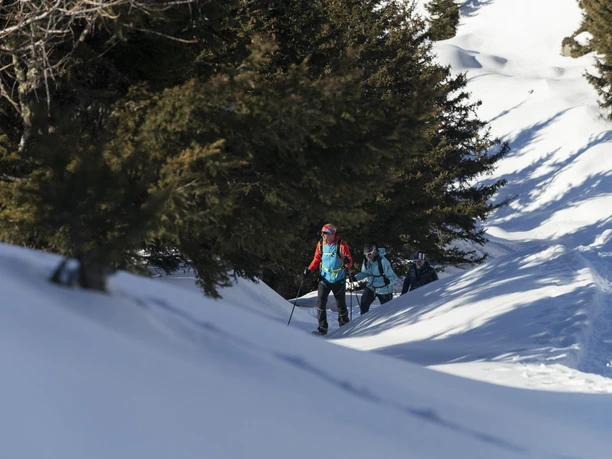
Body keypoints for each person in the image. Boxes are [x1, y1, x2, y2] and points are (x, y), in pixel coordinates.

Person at [303, 223, 353, 336]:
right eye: (322, 233)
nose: (322, 235)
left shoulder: (341, 244)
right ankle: (322, 328)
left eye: (325, 233)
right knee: (320, 303)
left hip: (338, 279)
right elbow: (316, 259)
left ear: (332, 234)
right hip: (324, 278)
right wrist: (309, 270)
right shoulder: (320, 244)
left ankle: (344, 326)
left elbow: (349, 262)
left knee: (341, 304)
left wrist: (347, 262)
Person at [352, 242, 398, 314]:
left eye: (369, 254)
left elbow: (394, 277)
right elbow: (365, 273)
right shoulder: (366, 261)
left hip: (384, 288)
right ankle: (364, 319)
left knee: (387, 310)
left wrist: (389, 281)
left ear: (375, 252)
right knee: (363, 305)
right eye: (365, 254)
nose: (367, 256)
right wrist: (355, 278)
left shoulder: (383, 261)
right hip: (371, 286)